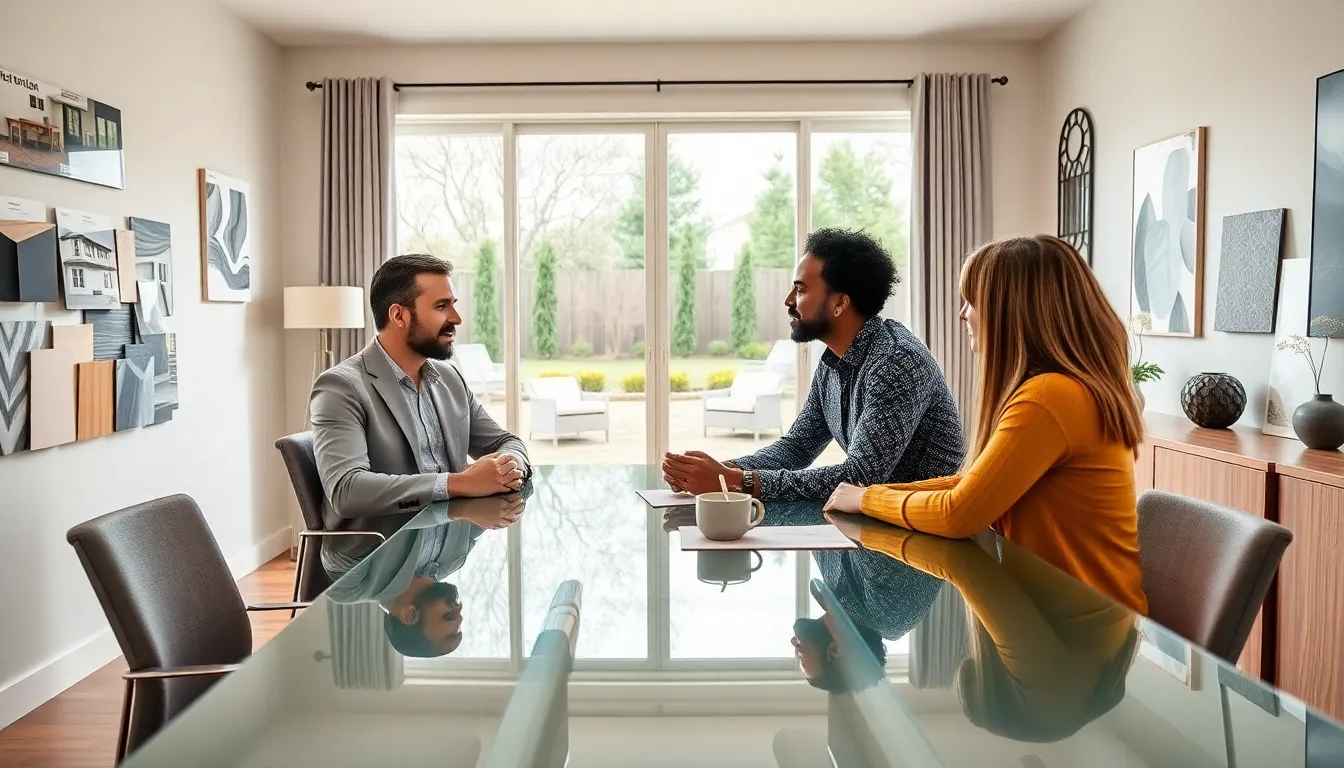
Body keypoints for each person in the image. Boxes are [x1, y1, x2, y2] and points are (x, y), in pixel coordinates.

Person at [824, 235, 1148, 614]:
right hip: (1073, 618)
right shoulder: (1058, 390)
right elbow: (974, 484)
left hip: (1078, 631)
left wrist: (868, 498)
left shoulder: (1050, 397)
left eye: (972, 301)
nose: (964, 314)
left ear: (1012, 310)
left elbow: (959, 513)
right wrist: (875, 494)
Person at [662, 228, 965, 502]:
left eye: (801, 289)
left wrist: (737, 482)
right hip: (880, 523)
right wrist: (719, 471)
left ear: (840, 303)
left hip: (926, 538)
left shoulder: (896, 361)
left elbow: (860, 476)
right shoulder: (833, 363)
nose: (788, 300)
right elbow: (797, 447)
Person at [311, 253, 530, 576]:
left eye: (453, 304)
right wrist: (459, 483)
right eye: (442, 306)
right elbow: (348, 490)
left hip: (440, 542)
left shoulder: (449, 378)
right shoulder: (340, 387)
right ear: (399, 316)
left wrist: (510, 465)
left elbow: (504, 440)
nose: (456, 317)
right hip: (373, 561)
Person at [327, 493, 529, 658]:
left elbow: (362, 520)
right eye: (460, 617)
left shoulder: (352, 589)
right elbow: (510, 501)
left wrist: (459, 509)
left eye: (448, 616)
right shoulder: (454, 559)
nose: (459, 611)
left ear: (410, 615)